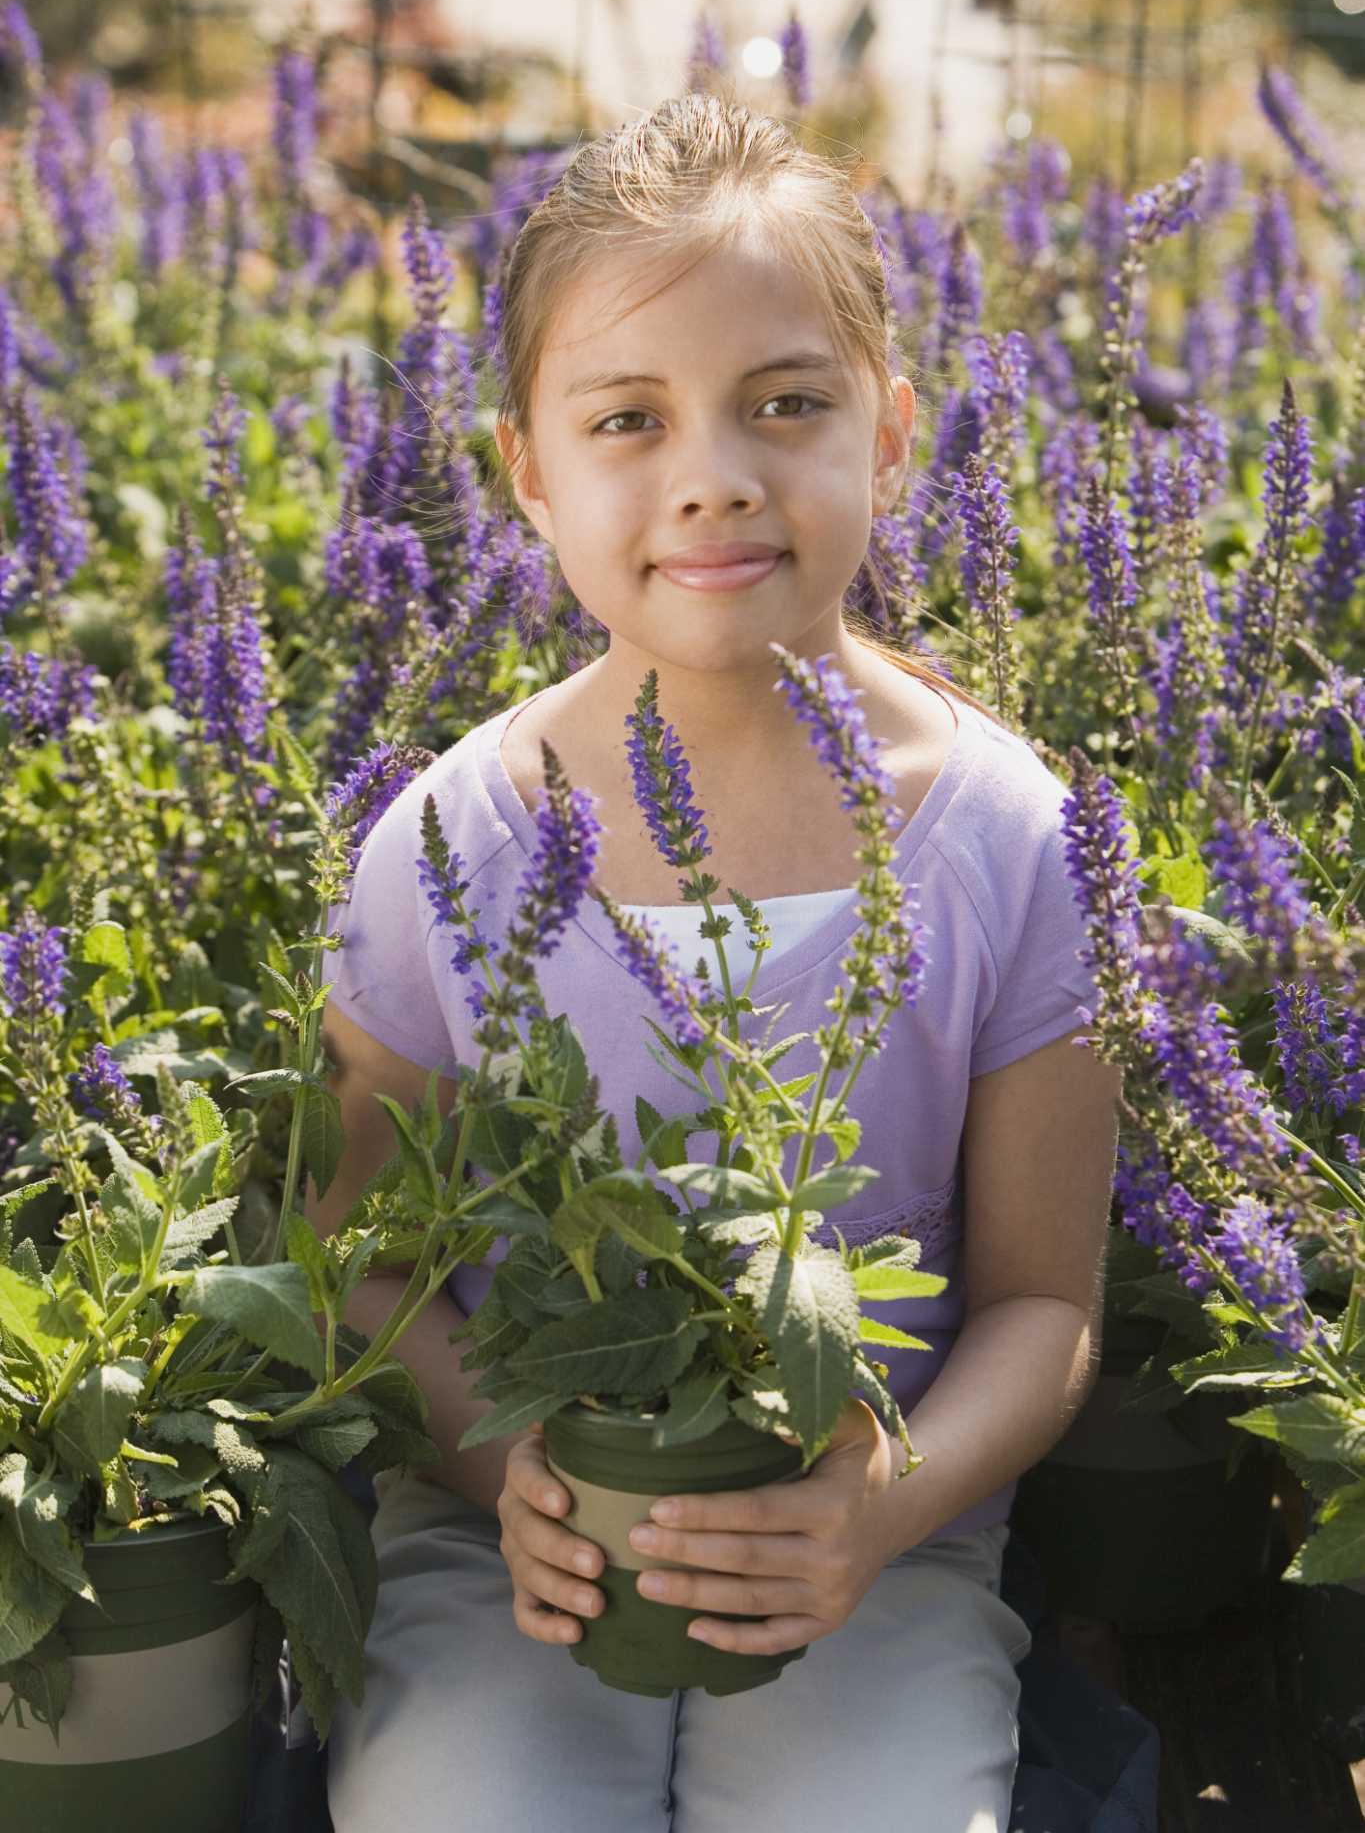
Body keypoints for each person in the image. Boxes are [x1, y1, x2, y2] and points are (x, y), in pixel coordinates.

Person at [311, 93, 1122, 1832]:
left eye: (785, 404)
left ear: (888, 435)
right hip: (511, 1540)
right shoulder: (445, 848)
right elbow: (353, 1250)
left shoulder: (1008, 840)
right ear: (525, 469)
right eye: (627, 417)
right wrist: (496, 1463)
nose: (712, 474)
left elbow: (1046, 1303)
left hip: (867, 1533)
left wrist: (882, 1508)